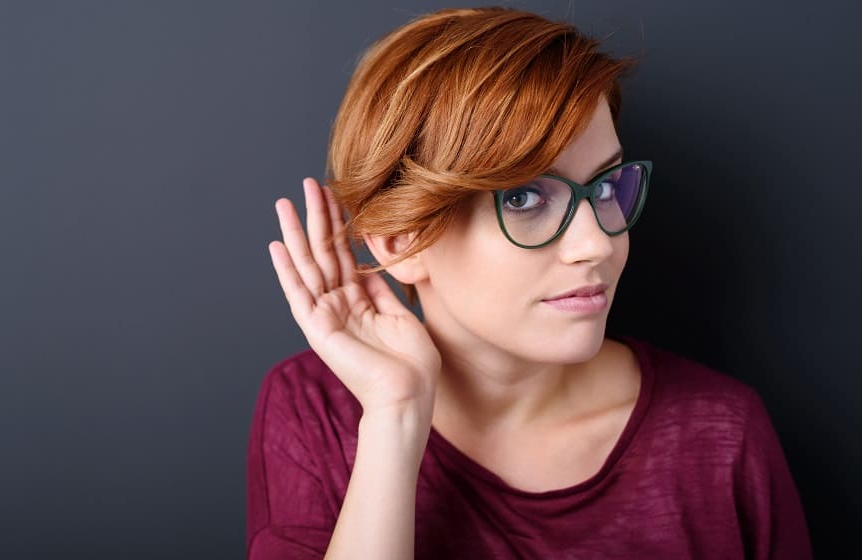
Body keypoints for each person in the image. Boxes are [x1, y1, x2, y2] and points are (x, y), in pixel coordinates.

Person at [247, 6, 812, 559]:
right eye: (524, 197)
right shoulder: (314, 412)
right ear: (402, 240)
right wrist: (395, 418)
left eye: (606, 186)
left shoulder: (722, 433)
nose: (597, 244)